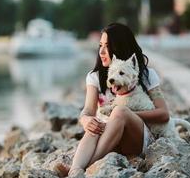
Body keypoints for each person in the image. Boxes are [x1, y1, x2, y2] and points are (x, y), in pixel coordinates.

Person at [54, 23, 170, 177]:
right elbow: (88, 110)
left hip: (137, 140)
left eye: (107, 46)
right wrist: (86, 120)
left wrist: (124, 115)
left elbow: (164, 114)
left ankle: (88, 166)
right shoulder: (94, 77)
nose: (101, 51)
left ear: (119, 47)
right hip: (109, 140)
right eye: (100, 45)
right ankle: (75, 171)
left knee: (119, 111)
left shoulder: (146, 75)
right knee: (94, 125)